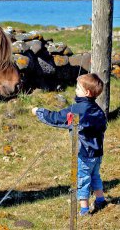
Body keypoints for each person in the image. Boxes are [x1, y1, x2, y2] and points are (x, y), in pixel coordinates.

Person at [31, 73, 108, 216]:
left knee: (82, 179)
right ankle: (100, 199)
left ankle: (84, 210)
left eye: (78, 88)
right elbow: (104, 126)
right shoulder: (98, 110)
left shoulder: (78, 109)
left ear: (87, 92)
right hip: (97, 153)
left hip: (84, 153)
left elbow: (57, 118)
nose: (75, 90)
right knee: (95, 176)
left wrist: (39, 112)